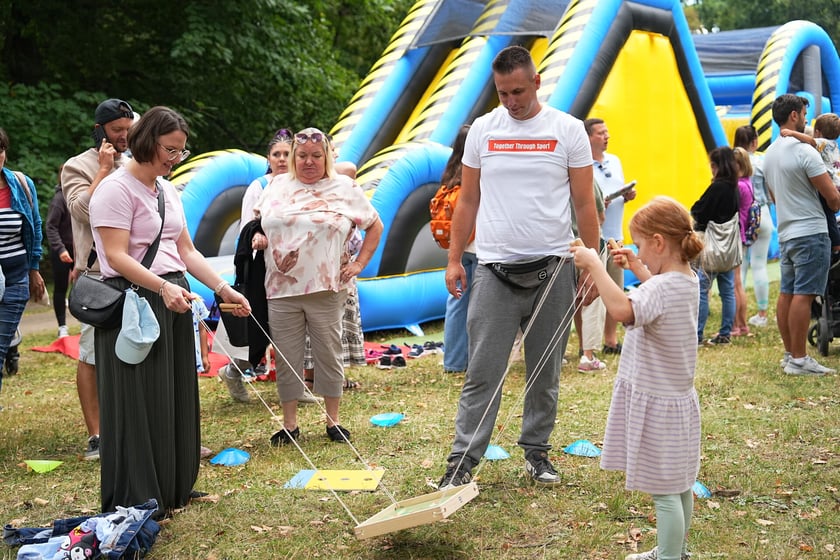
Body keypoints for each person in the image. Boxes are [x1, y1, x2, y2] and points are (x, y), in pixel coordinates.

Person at [437, 46, 600, 489]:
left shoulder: (567, 130)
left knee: (544, 372)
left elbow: (585, 203)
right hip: (493, 269)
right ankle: (461, 463)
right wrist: (454, 258)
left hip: (553, 268)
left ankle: (537, 454)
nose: (510, 101)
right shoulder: (483, 131)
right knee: (482, 372)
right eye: (502, 93)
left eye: (518, 91)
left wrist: (592, 266)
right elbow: (467, 199)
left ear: (537, 82)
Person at [89, 106, 251, 518]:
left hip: (173, 297)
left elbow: (187, 252)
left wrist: (222, 287)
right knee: (138, 400)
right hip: (135, 302)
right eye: (169, 150)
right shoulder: (115, 188)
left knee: (175, 394)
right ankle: (139, 494)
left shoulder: (167, 191)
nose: (175, 159)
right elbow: (115, 256)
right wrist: (161, 287)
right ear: (146, 140)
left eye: (181, 151)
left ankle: (175, 485)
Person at [572, 196, 702, 560]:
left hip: (659, 405)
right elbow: (656, 295)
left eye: (642, 246)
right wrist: (637, 268)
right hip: (677, 402)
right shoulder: (685, 279)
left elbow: (623, 310)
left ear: (659, 242)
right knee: (679, 487)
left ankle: (669, 556)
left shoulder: (660, 289)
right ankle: (674, 550)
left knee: (664, 493)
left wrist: (595, 266)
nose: (639, 253)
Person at [252, 127, 383, 446]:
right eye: (302, 156)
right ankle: (290, 424)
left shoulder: (344, 187)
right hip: (281, 287)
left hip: (328, 285)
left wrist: (358, 264)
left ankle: (333, 421)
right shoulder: (275, 186)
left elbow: (375, 226)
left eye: (316, 156)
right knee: (286, 355)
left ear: (326, 156)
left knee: (328, 352)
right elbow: (261, 223)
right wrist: (261, 238)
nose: (309, 162)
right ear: (293, 158)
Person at [62, 98, 134, 459]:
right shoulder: (78, 166)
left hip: (136, 271)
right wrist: (104, 171)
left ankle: (136, 426)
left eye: (128, 129)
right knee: (91, 354)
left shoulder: (138, 162)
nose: (123, 136)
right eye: (116, 130)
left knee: (137, 350)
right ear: (99, 130)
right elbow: (80, 210)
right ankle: (97, 435)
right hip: (96, 275)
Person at [764, 94, 840, 376]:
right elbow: (832, 199)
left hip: (786, 232)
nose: (807, 120)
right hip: (811, 231)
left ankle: (790, 354)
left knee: (787, 293)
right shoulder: (805, 151)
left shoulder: (770, 153)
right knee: (804, 295)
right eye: (804, 114)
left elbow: (773, 196)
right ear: (794, 115)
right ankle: (799, 359)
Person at [216, 129, 293, 402]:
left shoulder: (303, 185)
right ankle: (235, 372)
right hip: (263, 269)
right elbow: (245, 229)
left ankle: (294, 389)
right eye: (277, 154)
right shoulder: (259, 186)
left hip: (294, 271)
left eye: (287, 153)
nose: (282, 159)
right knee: (260, 329)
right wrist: (256, 236)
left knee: (293, 330)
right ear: (268, 158)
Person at [0, 128, 46, 399]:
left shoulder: (21, 185)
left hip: (16, 278)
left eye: (1, 150)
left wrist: (34, 269)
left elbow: (35, 227)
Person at [587, 117, 636, 355]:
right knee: (591, 291)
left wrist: (627, 194)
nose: (606, 136)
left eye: (607, 132)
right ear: (588, 138)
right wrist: (598, 204)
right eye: (600, 133)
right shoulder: (582, 165)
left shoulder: (614, 161)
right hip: (594, 236)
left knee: (615, 288)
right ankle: (589, 343)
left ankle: (610, 340)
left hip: (615, 234)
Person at [692, 147, 739, 346]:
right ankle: (725, 332)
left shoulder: (717, 187)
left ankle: (698, 334)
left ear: (717, 166)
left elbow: (699, 212)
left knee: (702, 290)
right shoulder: (734, 187)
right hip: (728, 250)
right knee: (728, 291)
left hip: (711, 250)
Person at [780, 112, 840, 256]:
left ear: (818, 132)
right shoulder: (833, 145)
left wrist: (792, 133)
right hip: (836, 185)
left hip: (830, 186)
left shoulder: (823, 142)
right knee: (829, 215)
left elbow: (811, 141)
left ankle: (836, 244)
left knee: (828, 215)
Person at [441, 124, 474, 374]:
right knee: (479, 306)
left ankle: (453, 360)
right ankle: (468, 359)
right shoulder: (473, 174)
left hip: (457, 250)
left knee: (456, 303)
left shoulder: (450, 173)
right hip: (476, 248)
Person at [733, 125, 774, 328]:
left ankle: (737, 314)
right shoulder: (762, 160)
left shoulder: (732, 163)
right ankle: (762, 313)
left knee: (739, 269)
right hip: (763, 214)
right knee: (760, 265)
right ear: (754, 142)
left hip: (741, 218)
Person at [45, 166, 74, 339]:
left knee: (82, 287)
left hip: (79, 250)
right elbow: (50, 227)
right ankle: (62, 327)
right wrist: (61, 249)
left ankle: (85, 322)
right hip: (61, 251)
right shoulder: (59, 199)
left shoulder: (79, 194)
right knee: (61, 288)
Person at [732, 147, 753, 336]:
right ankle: (742, 324)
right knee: (738, 283)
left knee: (735, 283)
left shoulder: (738, 186)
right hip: (743, 235)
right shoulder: (747, 183)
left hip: (736, 236)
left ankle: (738, 325)